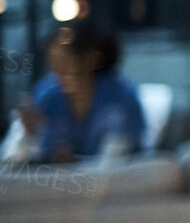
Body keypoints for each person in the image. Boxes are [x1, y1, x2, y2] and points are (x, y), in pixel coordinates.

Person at [11, 18, 147, 164]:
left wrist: (75, 163)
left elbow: (119, 160)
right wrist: (30, 134)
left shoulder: (122, 97)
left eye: (66, 62)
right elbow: (23, 159)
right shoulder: (46, 96)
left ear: (92, 59)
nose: (59, 72)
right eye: (54, 64)